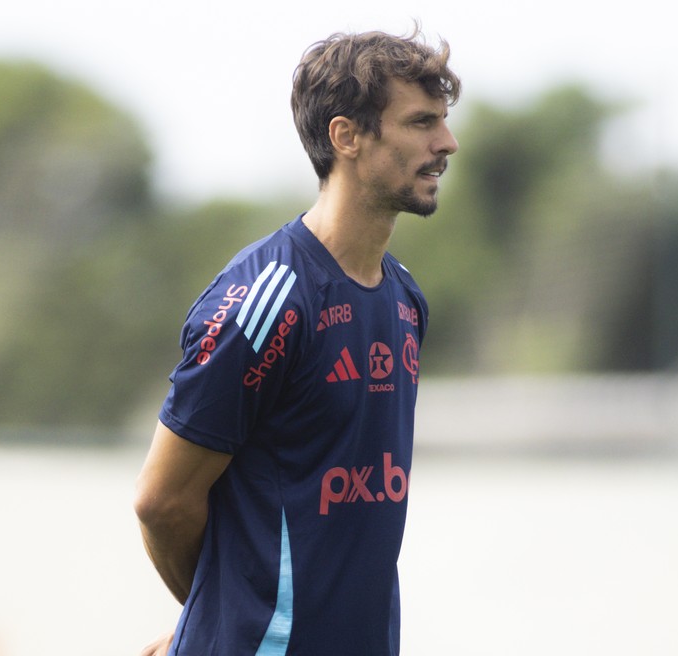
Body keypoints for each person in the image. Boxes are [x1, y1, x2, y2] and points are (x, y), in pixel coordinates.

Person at [134, 26, 460, 656]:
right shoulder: (267, 300)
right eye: (421, 123)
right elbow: (163, 502)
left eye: (442, 121)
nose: (446, 142)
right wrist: (220, 616)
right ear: (346, 136)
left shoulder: (405, 299)